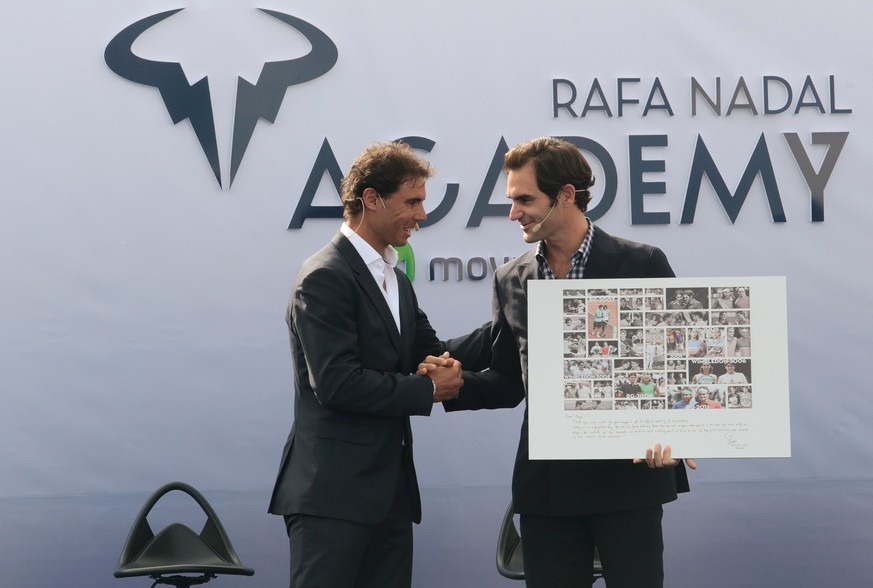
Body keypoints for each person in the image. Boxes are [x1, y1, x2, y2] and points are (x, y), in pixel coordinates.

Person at [434, 137, 694, 587]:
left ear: (566, 195)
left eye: (524, 199)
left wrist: (672, 434)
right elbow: (509, 381)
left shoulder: (641, 263)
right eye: (512, 200)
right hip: (547, 490)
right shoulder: (510, 278)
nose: (514, 212)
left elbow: (677, 367)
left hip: (628, 481)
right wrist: (455, 384)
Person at [267, 142, 489, 588]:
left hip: (389, 497)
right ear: (371, 199)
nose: (422, 214)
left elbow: (436, 351)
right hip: (332, 497)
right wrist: (427, 390)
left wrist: (514, 327)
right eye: (413, 201)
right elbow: (337, 384)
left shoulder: (396, 279)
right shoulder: (324, 276)